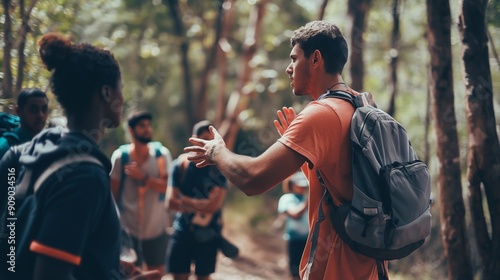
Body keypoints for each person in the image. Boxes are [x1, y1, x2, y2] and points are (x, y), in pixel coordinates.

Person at [184, 21, 383, 279]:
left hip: (337, 267)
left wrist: (217, 151)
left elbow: (252, 179)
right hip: (371, 263)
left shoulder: (319, 115)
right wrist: (304, 152)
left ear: (315, 59)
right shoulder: (362, 105)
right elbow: (341, 182)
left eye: (293, 59)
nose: (288, 69)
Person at [0, 32, 160, 280]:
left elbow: (18, 238)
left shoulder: (26, 152)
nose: (122, 97)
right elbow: (50, 274)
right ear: (106, 93)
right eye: (121, 88)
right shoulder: (84, 175)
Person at [110, 110, 173, 275]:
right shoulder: (120, 158)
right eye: (142, 126)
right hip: (127, 229)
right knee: (128, 273)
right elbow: (113, 196)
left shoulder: (161, 155)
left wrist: (143, 177)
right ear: (131, 130)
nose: (148, 129)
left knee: (156, 273)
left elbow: (168, 187)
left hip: (156, 228)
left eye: (149, 125)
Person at [166, 120, 227, 280]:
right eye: (204, 138)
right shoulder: (180, 165)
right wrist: (202, 204)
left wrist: (184, 199)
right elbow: (170, 202)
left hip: (208, 234)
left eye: (211, 139)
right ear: (194, 138)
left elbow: (213, 207)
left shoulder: (219, 168)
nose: (208, 143)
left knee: (203, 276)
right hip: (182, 230)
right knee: (178, 275)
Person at [0, 88, 48, 159]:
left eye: (44, 109)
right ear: (18, 111)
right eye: (33, 110)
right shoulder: (5, 146)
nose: (41, 115)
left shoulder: (49, 142)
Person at [278, 171, 309, 280]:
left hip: (308, 241)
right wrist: (307, 202)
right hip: (294, 240)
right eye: (300, 185)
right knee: (295, 272)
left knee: (307, 271)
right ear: (293, 184)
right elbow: (295, 215)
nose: (302, 188)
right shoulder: (286, 199)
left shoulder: (307, 199)